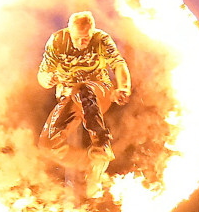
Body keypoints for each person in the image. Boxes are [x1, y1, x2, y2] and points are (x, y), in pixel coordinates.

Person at [37, 11, 132, 198]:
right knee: (47, 144)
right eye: (78, 39)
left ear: (92, 31)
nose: (83, 43)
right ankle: (91, 164)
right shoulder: (57, 41)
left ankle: (101, 145)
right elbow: (42, 74)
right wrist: (47, 79)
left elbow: (119, 64)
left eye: (86, 38)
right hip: (69, 97)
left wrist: (123, 88)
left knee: (82, 89)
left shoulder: (101, 39)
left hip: (98, 92)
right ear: (70, 32)